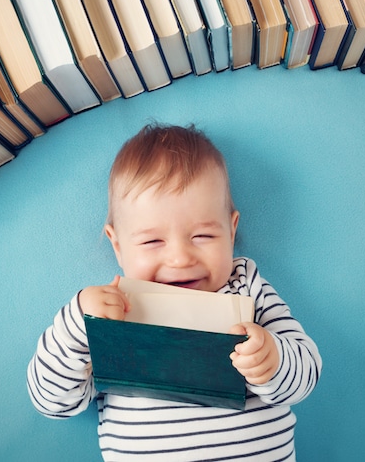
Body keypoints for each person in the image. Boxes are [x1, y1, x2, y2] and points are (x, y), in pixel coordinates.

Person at [27, 123, 321, 461]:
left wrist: (273, 359)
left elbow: (305, 375)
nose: (180, 258)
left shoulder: (244, 285)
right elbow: (52, 403)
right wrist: (75, 328)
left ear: (231, 229)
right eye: (152, 241)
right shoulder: (112, 309)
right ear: (118, 246)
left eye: (203, 236)